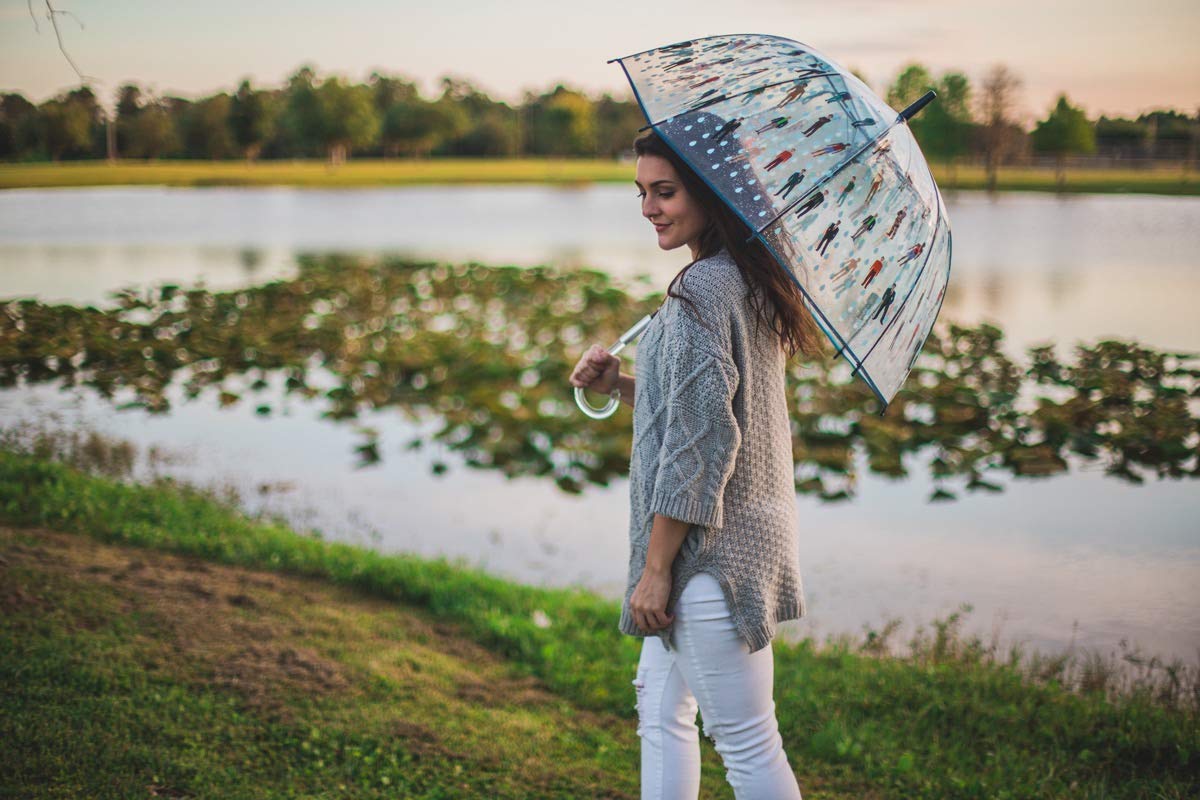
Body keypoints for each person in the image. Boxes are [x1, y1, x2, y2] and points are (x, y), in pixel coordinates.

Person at [569, 120, 827, 799]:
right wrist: (620, 385)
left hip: (711, 557)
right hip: (738, 540)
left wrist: (656, 571)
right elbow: (700, 411)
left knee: (747, 743)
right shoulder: (744, 278)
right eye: (642, 193)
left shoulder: (700, 293)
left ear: (711, 193)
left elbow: (702, 446)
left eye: (666, 191)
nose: (650, 208)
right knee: (661, 710)